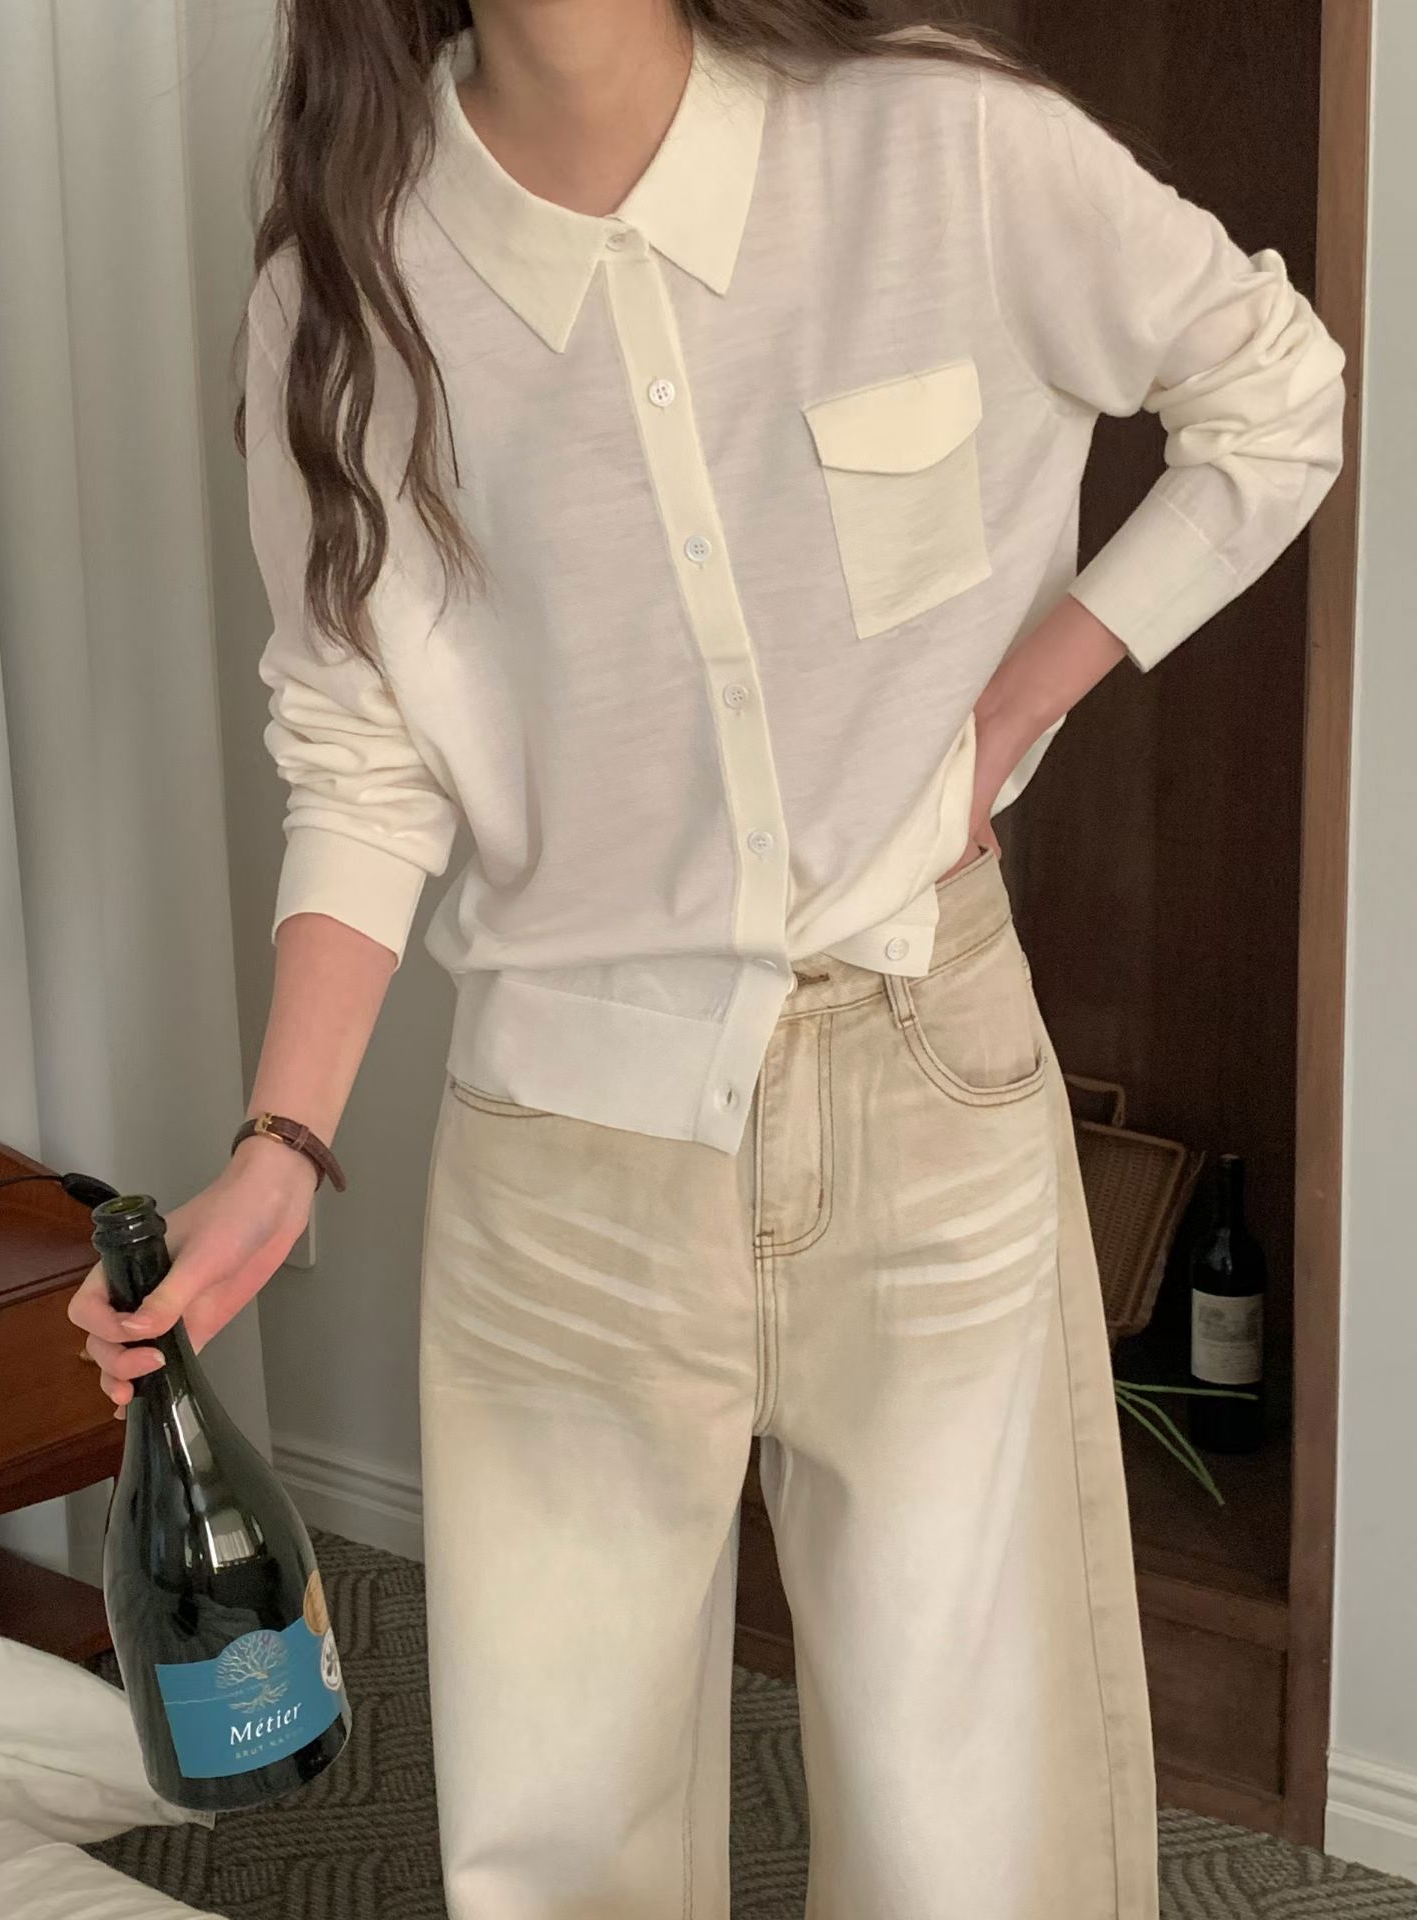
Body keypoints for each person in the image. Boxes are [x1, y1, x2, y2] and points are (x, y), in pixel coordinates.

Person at [71, 0, 1347, 1912]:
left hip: (929, 1081)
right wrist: (282, 1140)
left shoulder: (942, 144)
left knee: (973, 1829)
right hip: (562, 1144)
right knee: (560, 1831)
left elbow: (1273, 388)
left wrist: (1014, 706)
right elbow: (359, 751)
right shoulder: (338, 300)